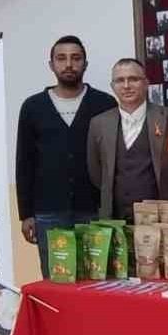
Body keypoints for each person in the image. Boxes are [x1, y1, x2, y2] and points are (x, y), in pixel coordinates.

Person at [15, 36, 117, 277]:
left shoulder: (104, 103)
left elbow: (113, 160)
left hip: (94, 212)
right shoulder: (33, 106)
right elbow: (24, 162)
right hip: (49, 213)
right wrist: (26, 214)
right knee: (56, 280)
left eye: (76, 58)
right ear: (51, 65)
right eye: (61, 58)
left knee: (98, 279)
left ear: (85, 64)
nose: (69, 64)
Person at [87, 58, 168, 221]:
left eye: (133, 79)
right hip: (116, 220)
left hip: (162, 220)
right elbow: (96, 172)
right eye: (120, 80)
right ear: (113, 86)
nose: (126, 85)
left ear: (146, 83)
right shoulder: (99, 123)